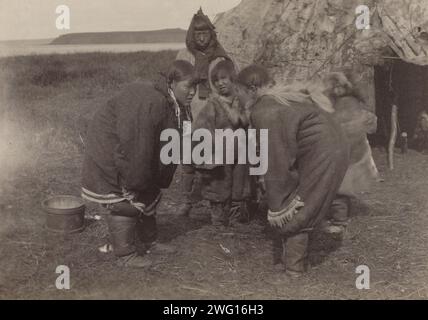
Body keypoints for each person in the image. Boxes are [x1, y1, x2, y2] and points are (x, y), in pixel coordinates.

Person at [234, 65, 349, 277]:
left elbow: (277, 161)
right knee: (301, 200)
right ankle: (292, 260)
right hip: (334, 145)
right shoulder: (277, 101)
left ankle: (294, 269)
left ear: (251, 89)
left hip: (325, 152)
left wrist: (275, 199)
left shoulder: (265, 109)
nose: (237, 98)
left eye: (238, 92)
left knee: (297, 205)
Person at [81, 60, 196, 268]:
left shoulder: (175, 105)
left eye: (196, 87)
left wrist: (157, 177)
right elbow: (136, 147)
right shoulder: (153, 102)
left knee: (148, 190)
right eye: (188, 86)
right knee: (124, 198)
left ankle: (149, 240)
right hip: (112, 150)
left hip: (132, 151)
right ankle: (124, 253)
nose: (193, 92)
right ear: (171, 83)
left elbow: (171, 142)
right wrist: (134, 181)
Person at [176, 8, 233, 217]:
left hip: (213, 116)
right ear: (192, 35)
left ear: (211, 35)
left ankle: (215, 205)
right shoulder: (184, 55)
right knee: (188, 160)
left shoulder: (220, 59)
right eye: (197, 34)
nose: (201, 38)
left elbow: (227, 89)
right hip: (190, 114)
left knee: (213, 161)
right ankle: (187, 201)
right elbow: (176, 83)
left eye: (205, 34)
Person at [191, 60, 250, 227]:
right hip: (220, 153)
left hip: (241, 152)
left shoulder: (243, 103)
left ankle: (236, 216)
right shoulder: (213, 104)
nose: (220, 83)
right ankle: (219, 220)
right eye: (216, 80)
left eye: (224, 78)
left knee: (240, 184)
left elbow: (252, 124)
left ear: (233, 79)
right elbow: (201, 127)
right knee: (219, 185)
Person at [322, 72, 379, 234]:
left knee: (339, 187)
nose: (336, 89)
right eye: (334, 86)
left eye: (339, 86)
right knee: (338, 186)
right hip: (344, 150)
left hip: (348, 152)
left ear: (345, 87)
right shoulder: (336, 103)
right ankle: (337, 216)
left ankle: (339, 221)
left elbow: (361, 126)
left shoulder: (349, 103)